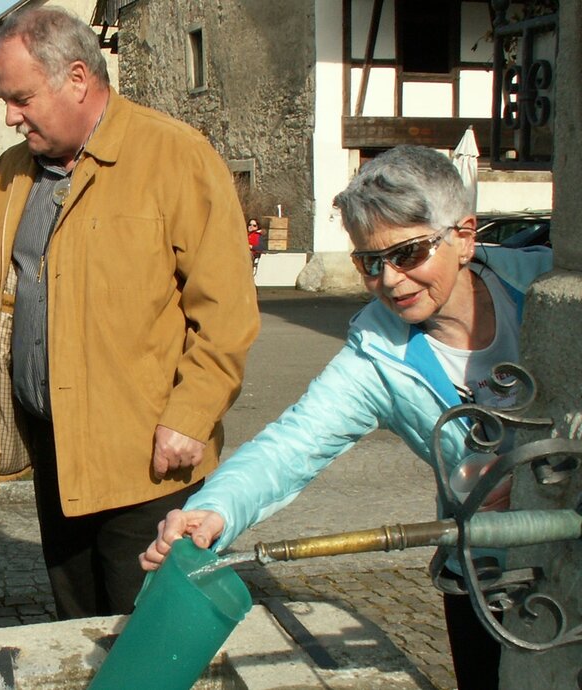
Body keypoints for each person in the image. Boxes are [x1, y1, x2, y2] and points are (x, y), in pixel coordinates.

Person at [0, 6, 259, 619]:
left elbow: (225, 314)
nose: (11, 116)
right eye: (6, 100)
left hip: (147, 466)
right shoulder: (18, 172)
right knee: (78, 627)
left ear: (78, 79)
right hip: (59, 459)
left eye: (22, 98)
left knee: (149, 636)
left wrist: (191, 416)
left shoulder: (176, 158)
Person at [141, 145, 553, 690]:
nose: (392, 281)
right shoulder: (376, 354)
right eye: (369, 262)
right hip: (483, 575)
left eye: (408, 253)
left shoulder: (549, 290)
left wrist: (525, 478)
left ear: (465, 235)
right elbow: (291, 445)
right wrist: (212, 512)